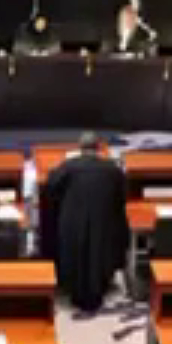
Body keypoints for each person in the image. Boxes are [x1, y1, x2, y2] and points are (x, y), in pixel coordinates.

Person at [39, 132, 130, 312]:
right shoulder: (112, 169)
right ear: (98, 148)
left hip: (73, 221)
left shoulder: (68, 167)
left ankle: (73, 289)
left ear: (80, 148)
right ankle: (99, 287)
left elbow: (50, 188)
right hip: (103, 222)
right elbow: (121, 197)